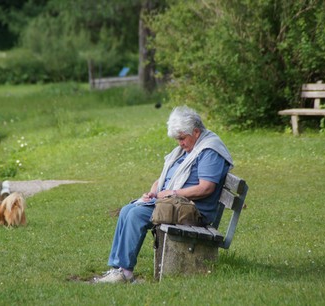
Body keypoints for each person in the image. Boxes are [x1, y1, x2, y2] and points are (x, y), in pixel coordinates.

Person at [95, 106, 233, 283]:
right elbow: (164, 178)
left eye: (182, 138)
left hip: (193, 211)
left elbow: (205, 188)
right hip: (175, 204)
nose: (180, 143)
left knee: (136, 215)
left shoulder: (209, 151)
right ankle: (117, 268)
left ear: (196, 132)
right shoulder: (189, 149)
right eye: (177, 139)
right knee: (127, 210)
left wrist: (172, 193)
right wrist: (154, 192)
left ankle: (125, 273)